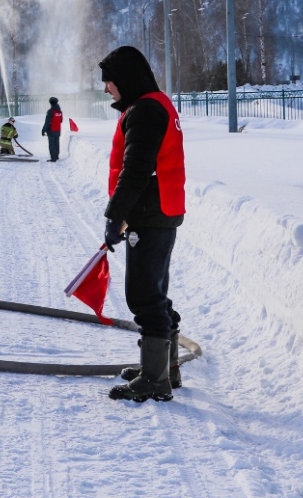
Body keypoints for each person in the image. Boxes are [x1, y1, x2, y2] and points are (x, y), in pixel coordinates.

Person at [98, 45, 186, 403]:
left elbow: (135, 172)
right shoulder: (150, 104)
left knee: (143, 295)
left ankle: (155, 380)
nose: (106, 89)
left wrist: (115, 216)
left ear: (126, 80)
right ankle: (165, 370)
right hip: (159, 210)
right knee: (154, 291)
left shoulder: (146, 111)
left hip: (152, 212)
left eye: (109, 82)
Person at [41, 97, 63, 162]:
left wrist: (43, 130)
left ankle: (53, 158)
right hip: (58, 130)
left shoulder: (50, 111)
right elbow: (61, 120)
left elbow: (47, 122)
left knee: (52, 144)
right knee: (57, 143)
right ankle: (56, 156)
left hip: (51, 130)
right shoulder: (60, 111)